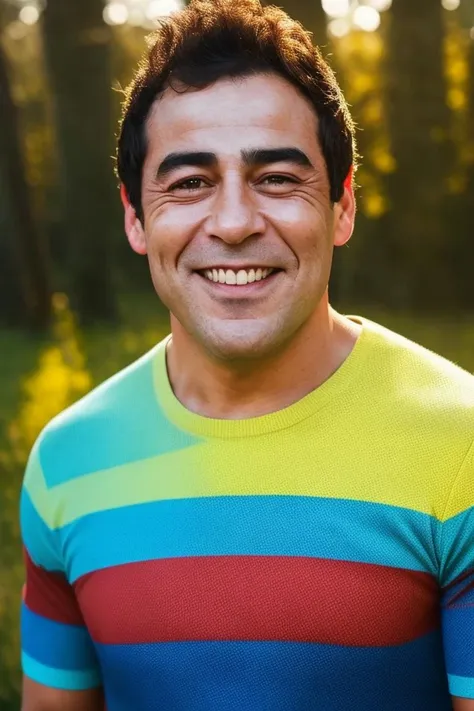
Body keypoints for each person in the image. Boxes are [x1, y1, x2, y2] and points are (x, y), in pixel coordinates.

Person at [19, 0, 474, 709]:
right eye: (191, 182)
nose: (233, 222)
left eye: (278, 178)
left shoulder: (463, 443)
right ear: (136, 216)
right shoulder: (65, 463)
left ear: (343, 205)